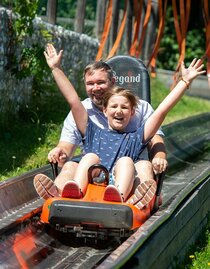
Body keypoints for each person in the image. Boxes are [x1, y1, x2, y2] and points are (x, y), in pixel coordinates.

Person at [34, 45, 205, 209]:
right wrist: (56, 68)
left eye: (124, 108)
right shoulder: (93, 131)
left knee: (127, 162)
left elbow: (162, 111)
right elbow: (72, 100)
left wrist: (184, 81)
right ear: (105, 110)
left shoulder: (135, 137)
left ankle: (122, 197)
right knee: (87, 158)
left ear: (132, 113)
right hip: (92, 181)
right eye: (114, 107)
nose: (118, 111)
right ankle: (64, 193)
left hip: (121, 183)